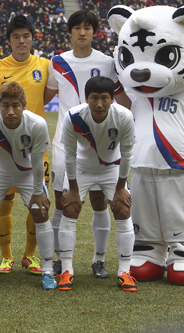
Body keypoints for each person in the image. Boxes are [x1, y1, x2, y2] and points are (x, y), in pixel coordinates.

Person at [44, 9, 132, 278]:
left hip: (103, 146)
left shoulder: (107, 62)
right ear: (70, 32)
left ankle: (99, 260)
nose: (82, 32)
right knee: (62, 202)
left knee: (98, 202)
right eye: (77, 28)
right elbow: (45, 96)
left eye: (88, 28)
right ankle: (60, 259)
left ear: (95, 32)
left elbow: (121, 98)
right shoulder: (57, 62)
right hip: (66, 144)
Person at [0, 81, 56, 290]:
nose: (10, 111)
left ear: (24, 105)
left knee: (41, 212)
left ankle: (48, 271)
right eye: (5, 105)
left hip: (27, 175)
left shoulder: (37, 124)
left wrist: (37, 192)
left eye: (15, 105)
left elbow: (37, 161)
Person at [58, 76, 137, 292]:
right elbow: (70, 155)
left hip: (112, 168)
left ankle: (124, 272)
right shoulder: (74, 116)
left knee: (122, 208)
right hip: (81, 168)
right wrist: (73, 189)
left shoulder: (123, 116)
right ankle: (66, 270)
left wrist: (121, 187)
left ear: (113, 99)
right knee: (70, 208)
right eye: (94, 98)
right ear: (86, 98)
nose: (99, 104)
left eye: (104, 98)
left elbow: (128, 153)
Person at [0, 14, 52, 275]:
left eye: (26, 36)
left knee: (38, 204)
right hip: (4, 148)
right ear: (9, 41)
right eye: (16, 37)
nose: (21, 41)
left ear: (33, 38)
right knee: (5, 204)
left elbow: (46, 97)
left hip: (36, 147)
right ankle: (6, 257)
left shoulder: (46, 66)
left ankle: (29, 256)